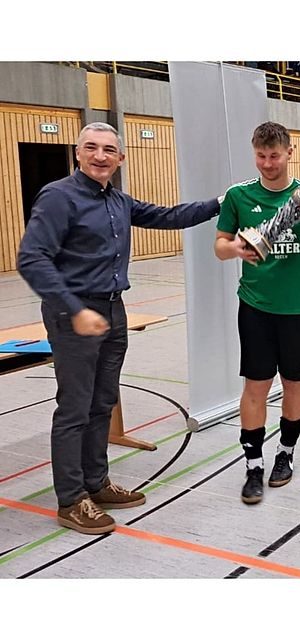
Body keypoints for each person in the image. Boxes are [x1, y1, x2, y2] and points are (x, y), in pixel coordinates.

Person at [17, 122, 221, 535]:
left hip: (112, 310)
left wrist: (221, 201)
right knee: (75, 408)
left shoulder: (119, 201)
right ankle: (72, 500)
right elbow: (32, 258)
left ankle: (96, 483)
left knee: (101, 403)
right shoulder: (59, 197)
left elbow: (170, 216)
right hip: (74, 313)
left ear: (120, 158)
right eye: (90, 148)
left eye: (109, 149)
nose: (100, 156)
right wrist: (74, 309)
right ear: (78, 153)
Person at [215, 122, 300, 504]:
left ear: (290, 152)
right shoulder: (238, 196)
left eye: (275, 155)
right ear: (254, 153)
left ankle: (285, 454)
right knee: (254, 386)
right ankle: (253, 464)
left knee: (294, 384)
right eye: (261, 156)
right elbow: (218, 247)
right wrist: (237, 248)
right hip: (255, 306)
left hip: (298, 308)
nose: (268, 164)